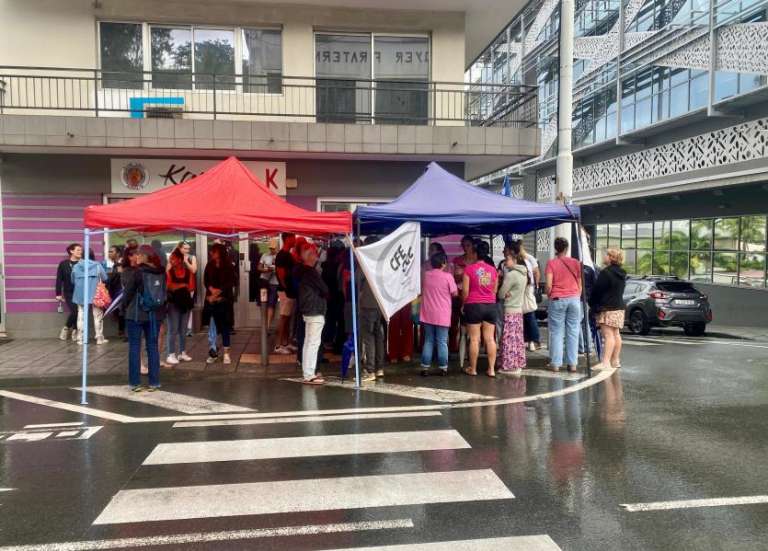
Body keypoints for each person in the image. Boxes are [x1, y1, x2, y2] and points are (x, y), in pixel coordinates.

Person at [122, 245, 165, 392]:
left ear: (145, 256)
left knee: (135, 347)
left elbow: (127, 293)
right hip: (155, 314)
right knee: (152, 347)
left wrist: (123, 308)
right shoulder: (161, 271)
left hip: (136, 314)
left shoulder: (138, 272)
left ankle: (135, 383)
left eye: (139, 254)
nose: (136, 257)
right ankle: (155, 382)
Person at [545, 237, 583, 373]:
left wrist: (549, 294)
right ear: (566, 248)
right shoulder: (576, 263)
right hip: (574, 299)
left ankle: (556, 364)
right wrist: (576, 295)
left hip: (557, 298)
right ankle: (572, 364)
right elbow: (580, 284)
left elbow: (549, 285)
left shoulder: (551, 263)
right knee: (573, 331)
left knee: (557, 331)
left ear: (556, 248)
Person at [420, 251, 458, 376]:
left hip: (427, 313)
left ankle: (425, 367)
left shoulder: (425, 275)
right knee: (442, 341)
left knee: (429, 340)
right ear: (443, 263)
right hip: (443, 314)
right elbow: (455, 293)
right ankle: (443, 367)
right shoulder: (448, 277)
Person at [589, 248, 627, 370]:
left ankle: (605, 362)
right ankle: (615, 360)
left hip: (607, 307)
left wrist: (592, 303)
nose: (603, 257)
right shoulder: (622, 273)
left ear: (611, 257)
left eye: (606, 255)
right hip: (619, 307)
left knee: (608, 335)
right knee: (616, 334)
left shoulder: (606, 273)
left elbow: (597, 291)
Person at [462, 252, 499, 377]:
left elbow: (465, 291)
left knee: (474, 339)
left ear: (475, 255)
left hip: (474, 305)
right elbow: (494, 290)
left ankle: (473, 369)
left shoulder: (469, 269)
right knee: (490, 339)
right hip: (490, 305)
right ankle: (492, 369)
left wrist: (464, 304)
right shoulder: (493, 270)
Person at [297, 244, 328, 385]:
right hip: (315, 309)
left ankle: (307, 372)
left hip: (307, 309)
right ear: (309, 257)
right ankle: (309, 374)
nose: (317, 257)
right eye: (315, 254)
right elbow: (324, 289)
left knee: (308, 342)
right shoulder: (311, 272)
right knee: (313, 343)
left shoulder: (302, 271)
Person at [358, 236, 386, 382]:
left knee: (369, 337)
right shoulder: (382, 262)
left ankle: (370, 370)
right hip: (379, 304)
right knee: (378, 337)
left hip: (367, 304)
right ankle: (379, 368)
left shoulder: (365, 262)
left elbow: (357, 280)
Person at [203, 243, 236, 365]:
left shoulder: (228, 266)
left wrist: (219, 292)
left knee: (225, 327)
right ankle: (213, 351)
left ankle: (226, 353)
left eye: (214, 251)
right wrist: (211, 290)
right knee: (212, 328)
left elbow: (231, 281)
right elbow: (205, 280)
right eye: (212, 251)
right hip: (212, 300)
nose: (212, 253)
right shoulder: (209, 265)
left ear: (220, 252)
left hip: (224, 300)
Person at [497, 251, 528, 373]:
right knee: (517, 338)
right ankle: (517, 364)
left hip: (510, 309)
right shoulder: (524, 273)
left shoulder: (511, 275)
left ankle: (509, 366)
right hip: (518, 310)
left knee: (509, 339)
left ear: (515, 260)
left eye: (507, 259)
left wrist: (504, 294)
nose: (505, 261)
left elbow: (500, 293)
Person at [165, 243, 196, 365]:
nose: (174, 260)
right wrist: (183, 286)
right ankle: (170, 353)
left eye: (176, 259)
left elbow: (191, 286)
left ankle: (182, 352)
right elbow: (168, 286)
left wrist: (181, 286)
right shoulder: (170, 270)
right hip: (174, 302)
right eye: (173, 258)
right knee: (173, 329)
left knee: (183, 329)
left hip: (185, 301)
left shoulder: (187, 271)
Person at [71, 249, 109, 345]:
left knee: (81, 316)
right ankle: (99, 338)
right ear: (92, 255)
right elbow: (105, 278)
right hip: (95, 294)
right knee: (97, 316)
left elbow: (72, 280)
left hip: (80, 293)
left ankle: (80, 339)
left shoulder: (76, 266)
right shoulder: (97, 265)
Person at [512, 240, 542, 351]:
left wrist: (536, 286)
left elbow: (536, 272)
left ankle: (533, 340)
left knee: (528, 315)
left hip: (525, 290)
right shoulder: (528, 259)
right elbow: (535, 273)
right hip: (528, 289)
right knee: (528, 315)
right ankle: (531, 341)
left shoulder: (527, 259)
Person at [452, 235, 477, 363]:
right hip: (459, 294)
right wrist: (465, 274)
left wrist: (465, 274)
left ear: (473, 245)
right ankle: (459, 352)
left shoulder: (478, 260)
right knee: (460, 327)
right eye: (463, 245)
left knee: (473, 330)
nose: (465, 248)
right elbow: (454, 278)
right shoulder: (458, 260)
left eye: (467, 245)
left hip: (474, 296)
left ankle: (471, 354)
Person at [274, 233, 297, 354]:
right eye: (293, 237)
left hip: (290, 291)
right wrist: (286, 288)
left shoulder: (288, 254)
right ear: (287, 239)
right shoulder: (282, 255)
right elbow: (280, 273)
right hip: (285, 291)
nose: (295, 239)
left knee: (287, 318)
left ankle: (285, 342)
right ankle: (278, 345)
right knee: (283, 317)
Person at [55, 243, 82, 342]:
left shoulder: (82, 263)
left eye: (81, 250)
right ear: (71, 251)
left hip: (81, 292)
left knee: (79, 312)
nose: (80, 252)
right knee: (75, 311)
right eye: (78, 250)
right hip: (69, 292)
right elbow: (59, 279)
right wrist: (58, 293)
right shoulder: (63, 264)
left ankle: (75, 330)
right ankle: (66, 328)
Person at [258, 238, 280, 332]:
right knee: (264, 303)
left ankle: (267, 327)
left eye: (273, 248)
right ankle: (265, 326)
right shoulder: (265, 255)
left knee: (272, 304)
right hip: (265, 281)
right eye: (271, 248)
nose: (272, 250)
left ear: (277, 247)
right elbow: (259, 267)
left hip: (275, 283)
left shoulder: (279, 256)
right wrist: (266, 270)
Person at [106, 245, 125, 338]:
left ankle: (124, 331)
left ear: (118, 253)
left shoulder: (120, 264)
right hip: (115, 291)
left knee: (121, 311)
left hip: (120, 292)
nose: (109, 253)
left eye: (111, 251)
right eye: (109, 251)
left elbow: (121, 276)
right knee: (118, 311)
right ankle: (122, 330)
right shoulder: (115, 264)